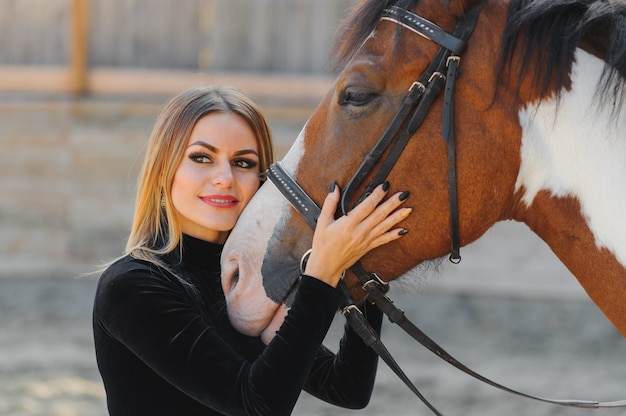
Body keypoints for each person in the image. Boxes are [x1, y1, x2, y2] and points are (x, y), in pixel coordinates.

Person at [92, 86, 412, 416]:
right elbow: (255, 407)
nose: (224, 178)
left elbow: (346, 388)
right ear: (164, 171)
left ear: (261, 180)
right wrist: (322, 273)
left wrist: (367, 261)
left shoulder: (245, 278)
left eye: (243, 163)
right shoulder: (130, 287)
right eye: (202, 157)